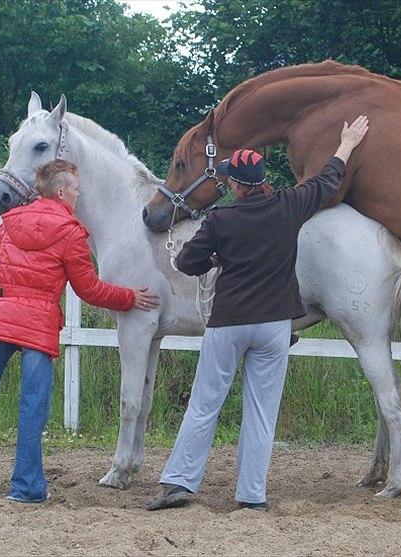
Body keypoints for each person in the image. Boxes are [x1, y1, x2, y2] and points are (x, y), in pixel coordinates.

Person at [147, 115, 369, 512]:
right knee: (262, 412)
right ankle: (251, 495)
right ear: (263, 179)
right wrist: (347, 143)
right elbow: (326, 180)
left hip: (229, 322)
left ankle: (179, 483)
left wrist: (214, 257)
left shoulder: (221, 219)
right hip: (274, 326)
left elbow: (186, 263)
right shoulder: (289, 205)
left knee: (205, 404)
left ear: (234, 184)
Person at [0, 160, 159, 503]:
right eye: (74, 188)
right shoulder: (71, 233)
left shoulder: (12, 221)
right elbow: (90, 290)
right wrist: (131, 297)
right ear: (60, 191)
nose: (77, 193)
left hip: (2, 314)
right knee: (32, 406)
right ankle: (25, 487)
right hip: (38, 324)